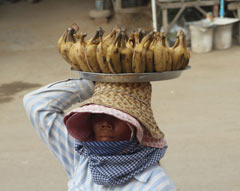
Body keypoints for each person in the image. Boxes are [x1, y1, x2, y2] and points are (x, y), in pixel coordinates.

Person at [23, 78, 176, 191]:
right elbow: (36, 104)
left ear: (136, 128)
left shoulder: (156, 184)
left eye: (117, 116)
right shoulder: (82, 157)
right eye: (98, 114)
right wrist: (96, 81)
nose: (105, 123)